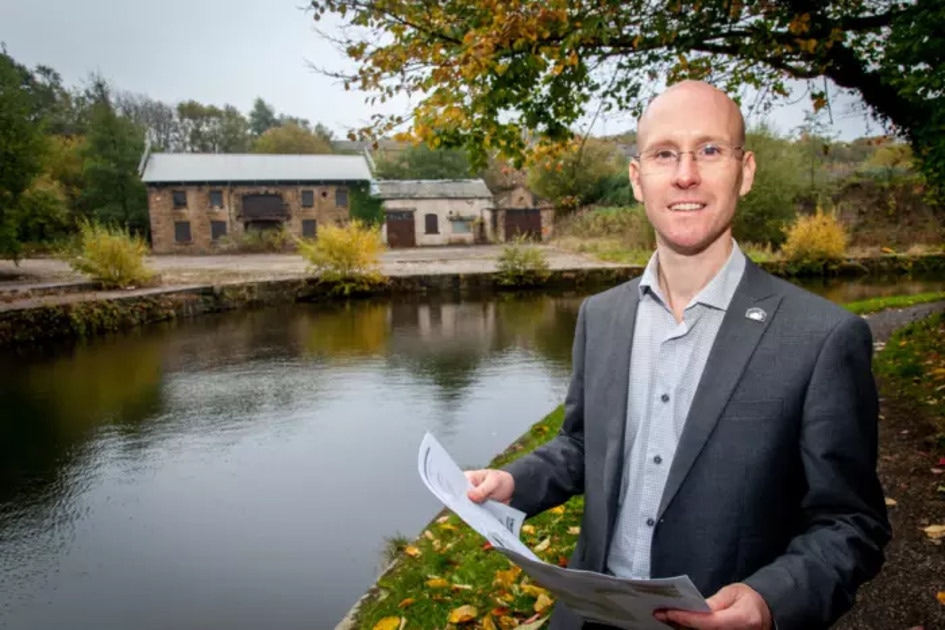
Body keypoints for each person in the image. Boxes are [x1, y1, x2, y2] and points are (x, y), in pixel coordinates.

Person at [465, 80, 891, 630]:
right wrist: (513, 484)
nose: (685, 174)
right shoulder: (601, 316)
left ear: (745, 171)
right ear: (637, 179)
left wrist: (770, 601)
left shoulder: (823, 337)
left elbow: (851, 523)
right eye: (664, 154)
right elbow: (583, 444)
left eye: (709, 150)